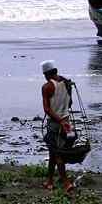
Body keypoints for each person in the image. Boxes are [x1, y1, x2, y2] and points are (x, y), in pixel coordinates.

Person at [40, 60, 75, 193]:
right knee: (53, 151)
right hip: (67, 122)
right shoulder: (67, 83)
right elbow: (70, 103)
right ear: (55, 70)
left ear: (46, 73)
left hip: (56, 123)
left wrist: (59, 120)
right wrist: (63, 119)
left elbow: (47, 109)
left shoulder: (47, 87)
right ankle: (49, 181)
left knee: (57, 153)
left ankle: (66, 183)